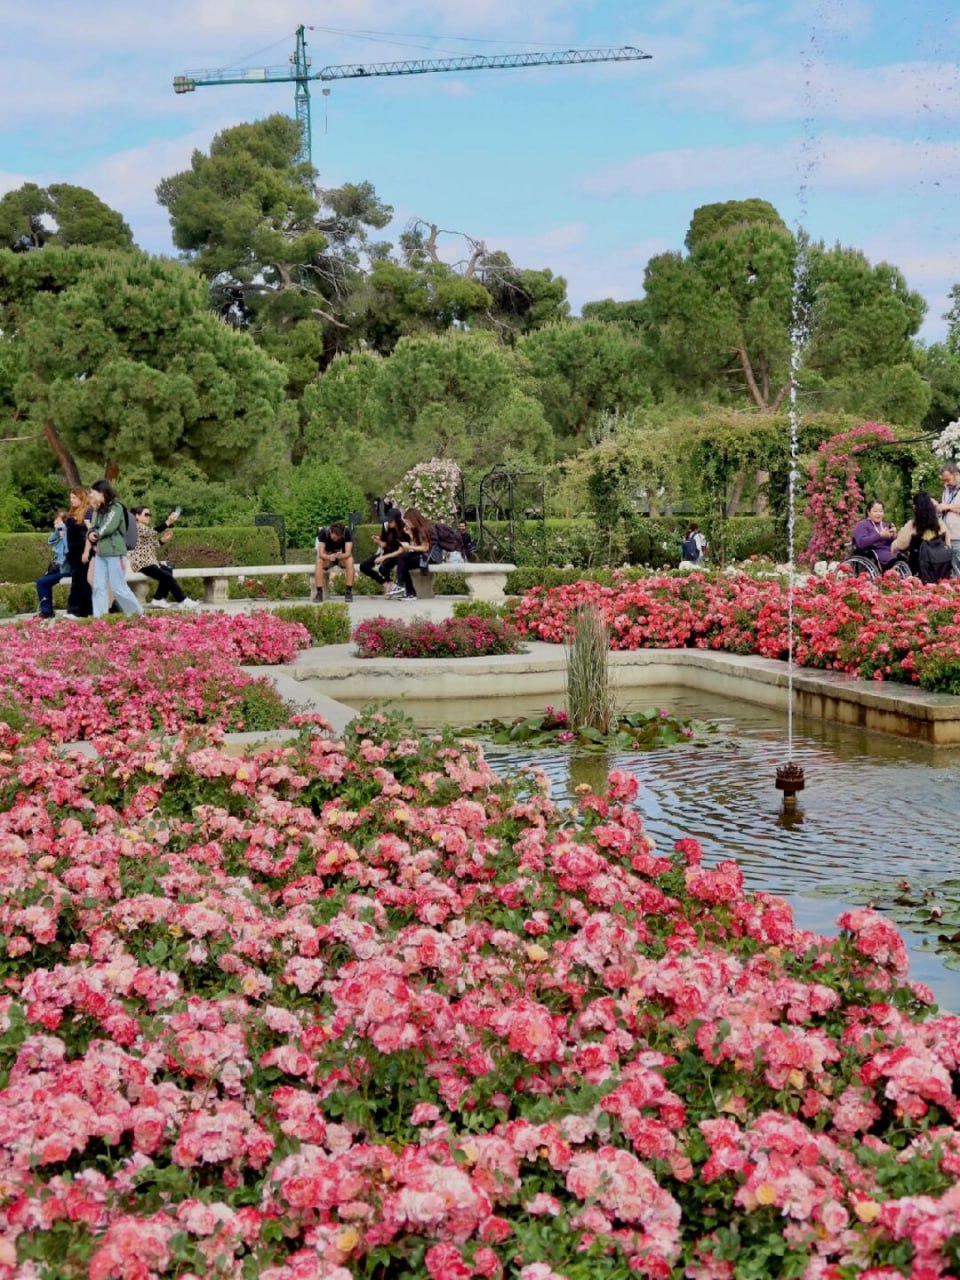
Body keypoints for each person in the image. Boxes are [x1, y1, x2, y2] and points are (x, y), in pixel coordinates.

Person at [83, 480, 144, 619]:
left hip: (116, 554)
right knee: (98, 587)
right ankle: (100, 618)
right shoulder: (98, 509)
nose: (91, 495)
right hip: (100, 554)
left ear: (102, 493)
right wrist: (90, 533)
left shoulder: (116, 507)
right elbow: (92, 527)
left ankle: (138, 614)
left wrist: (96, 535)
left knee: (118, 588)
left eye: (93, 492)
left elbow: (108, 526)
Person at [130, 506, 196, 608]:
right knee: (166, 576)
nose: (149, 517)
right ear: (137, 516)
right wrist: (168, 523)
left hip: (151, 562)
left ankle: (158, 599)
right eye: (146, 514)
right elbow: (152, 532)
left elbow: (154, 545)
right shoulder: (137, 528)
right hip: (142, 563)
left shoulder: (145, 528)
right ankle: (182, 600)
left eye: (150, 515)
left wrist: (163, 540)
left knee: (168, 571)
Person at [891, 491, 952, 583]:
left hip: (918, 567)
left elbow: (900, 545)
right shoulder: (940, 524)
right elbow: (948, 544)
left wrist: (893, 546)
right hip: (940, 566)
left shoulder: (912, 525)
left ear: (916, 507)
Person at [359, 509, 408, 596]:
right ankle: (386, 584)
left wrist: (383, 558)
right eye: (387, 520)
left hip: (399, 555)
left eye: (391, 520)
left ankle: (391, 587)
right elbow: (385, 545)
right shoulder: (386, 526)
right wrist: (379, 542)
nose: (388, 522)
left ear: (397, 520)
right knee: (364, 566)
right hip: (386, 552)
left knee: (383, 567)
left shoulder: (405, 529)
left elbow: (401, 551)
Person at [63, 486, 93, 619]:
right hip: (73, 552)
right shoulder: (73, 514)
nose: (72, 500)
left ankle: (74, 610)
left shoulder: (86, 514)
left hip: (81, 552)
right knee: (80, 581)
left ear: (81, 498)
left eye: (74, 497)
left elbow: (87, 535)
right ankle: (83, 610)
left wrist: (85, 552)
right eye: (71, 497)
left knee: (80, 581)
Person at [395, 508, 436, 601]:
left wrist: (409, 547)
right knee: (402, 561)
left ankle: (403, 587)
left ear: (414, 519)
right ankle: (407, 591)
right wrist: (410, 534)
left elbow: (425, 548)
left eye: (408, 522)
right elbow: (417, 545)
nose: (407, 524)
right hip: (423, 556)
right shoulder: (417, 529)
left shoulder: (424, 529)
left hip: (430, 558)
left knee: (402, 560)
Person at [851, 500, 903, 572]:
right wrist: (879, 535)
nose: (878, 514)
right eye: (875, 511)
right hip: (874, 553)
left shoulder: (886, 525)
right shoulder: (862, 525)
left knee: (904, 557)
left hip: (890, 551)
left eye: (881, 511)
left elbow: (891, 543)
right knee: (892, 558)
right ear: (868, 512)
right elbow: (861, 543)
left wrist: (894, 536)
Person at [35, 511, 68, 618]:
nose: (55, 522)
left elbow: (68, 550)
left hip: (67, 569)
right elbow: (50, 540)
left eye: (57, 521)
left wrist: (64, 535)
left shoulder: (68, 534)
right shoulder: (59, 533)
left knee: (42, 582)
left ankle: (47, 611)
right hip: (58, 568)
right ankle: (47, 610)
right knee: (42, 581)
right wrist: (59, 532)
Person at [314, 520, 354, 603]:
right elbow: (321, 553)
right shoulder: (323, 533)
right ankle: (319, 593)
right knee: (319, 562)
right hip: (328, 557)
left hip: (341, 557)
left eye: (339, 537)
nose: (336, 539)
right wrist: (329, 556)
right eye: (334, 537)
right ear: (330, 532)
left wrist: (341, 555)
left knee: (350, 560)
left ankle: (348, 592)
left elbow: (348, 553)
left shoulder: (347, 533)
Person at [934, 462, 960, 578]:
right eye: (944, 481)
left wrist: (947, 507)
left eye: (948, 480)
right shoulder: (946, 491)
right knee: (952, 571)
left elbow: (949, 507)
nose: (946, 483)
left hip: (958, 537)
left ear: (957, 474)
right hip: (948, 537)